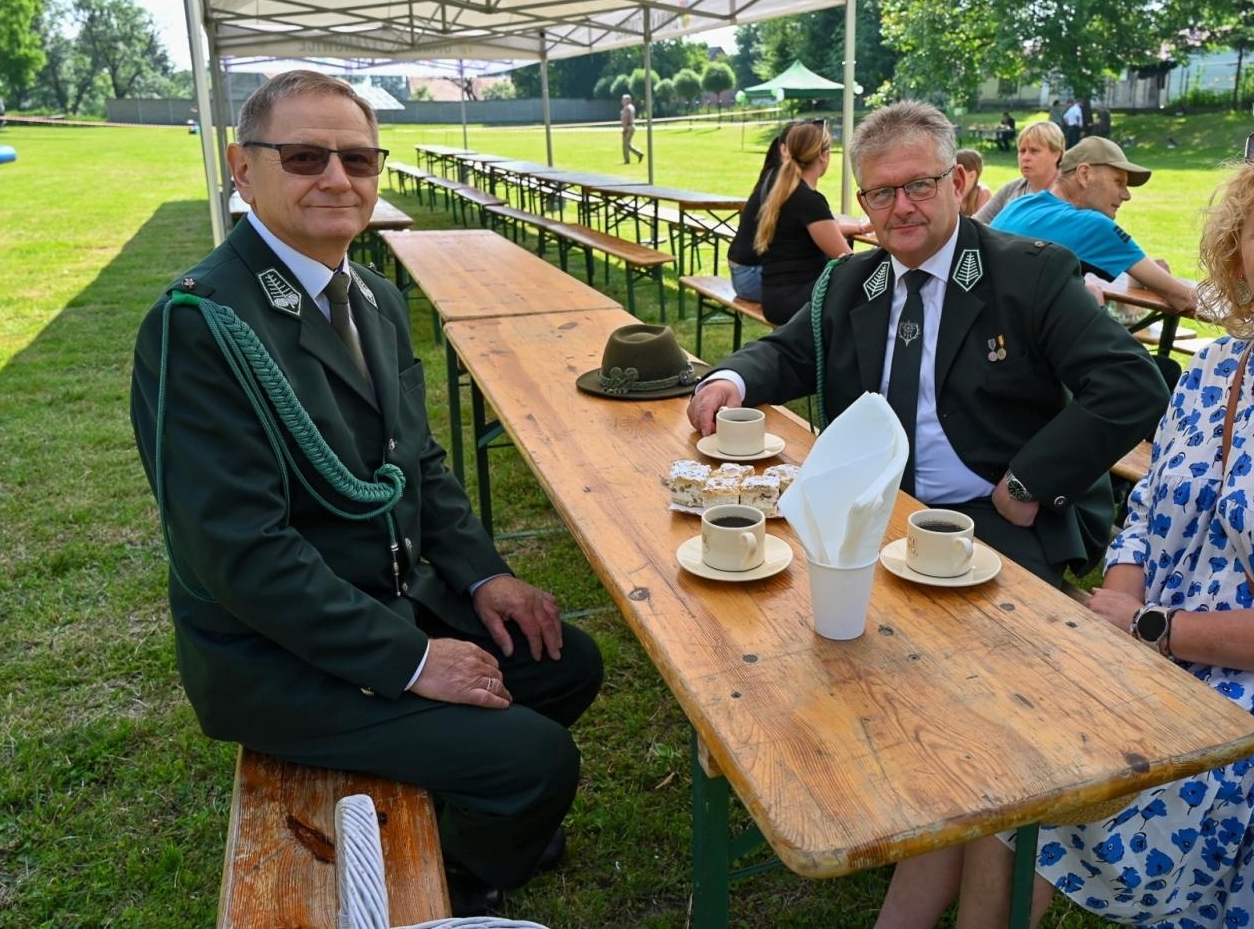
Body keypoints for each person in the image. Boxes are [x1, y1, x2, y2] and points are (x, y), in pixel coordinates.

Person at [874, 122, 1254, 929]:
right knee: (991, 735)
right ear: (1237, 248)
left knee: (1026, 785)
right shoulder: (1216, 370)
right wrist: (1125, 607)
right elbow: (1147, 516)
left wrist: (1151, 626)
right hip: (1164, 660)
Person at [129, 70, 604, 915]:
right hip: (276, 656)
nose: (337, 179)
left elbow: (417, 465)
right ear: (243, 169)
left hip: (390, 597)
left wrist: (485, 576)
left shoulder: (373, 297)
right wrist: (416, 661)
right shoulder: (199, 326)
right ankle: (463, 876)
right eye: (306, 156)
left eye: (358, 157)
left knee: (564, 661)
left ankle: (468, 814)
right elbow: (242, 556)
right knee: (535, 764)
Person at [687, 101, 1168, 585]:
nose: (901, 207)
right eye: (881, 193)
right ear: (864, 200)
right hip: (869, 502)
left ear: (957, 183)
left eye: (920, 185)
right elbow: (789, 350)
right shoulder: (850, 280)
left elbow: (1130, 384)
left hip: (990, 517)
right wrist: (730, 379)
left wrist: (1028, 485)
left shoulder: (1028, 275)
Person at [991, 137, 1197, 314]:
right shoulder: (1092, 225)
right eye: (1118, 182)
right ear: (1084, 174)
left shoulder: (1019, 205)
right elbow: (1181, 297)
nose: (1127, 195)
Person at [742, 119, 868, 324]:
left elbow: (820, 232)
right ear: (824, 156)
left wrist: (861, 227)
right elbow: (846, 259)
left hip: (775, 297)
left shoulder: (783, 192)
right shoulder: (808, 201)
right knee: (866, 292)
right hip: (796, 301)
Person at [727, 121, 801, 302]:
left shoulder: (772, 175)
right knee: (822, 288)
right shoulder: (783, 183)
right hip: (751, 276)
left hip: (742, 273)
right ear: (783, 149)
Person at [972, 120, 1065, 225]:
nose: (1025, 158)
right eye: (1022, 151)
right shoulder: (1012, 189)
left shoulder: (1070, 193)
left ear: (1056, 155)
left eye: (1034, 151)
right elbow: (976, 223)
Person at [954, 148, 992, 216]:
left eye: (959, 172)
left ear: (972, 175)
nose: (952, 177)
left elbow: (981, 221)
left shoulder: (982, 193)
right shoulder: (952, 192)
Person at [620, 93, 643, 163]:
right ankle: (639, 153)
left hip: (628, 127)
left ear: (627, 100)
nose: (622, 101)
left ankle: (627, 160)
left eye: (623, 99)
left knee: (625, 145)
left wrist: (624, 129)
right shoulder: (632, 107)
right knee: (628, 144)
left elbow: (625, 119)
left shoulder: (626, 108)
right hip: (632, 126)